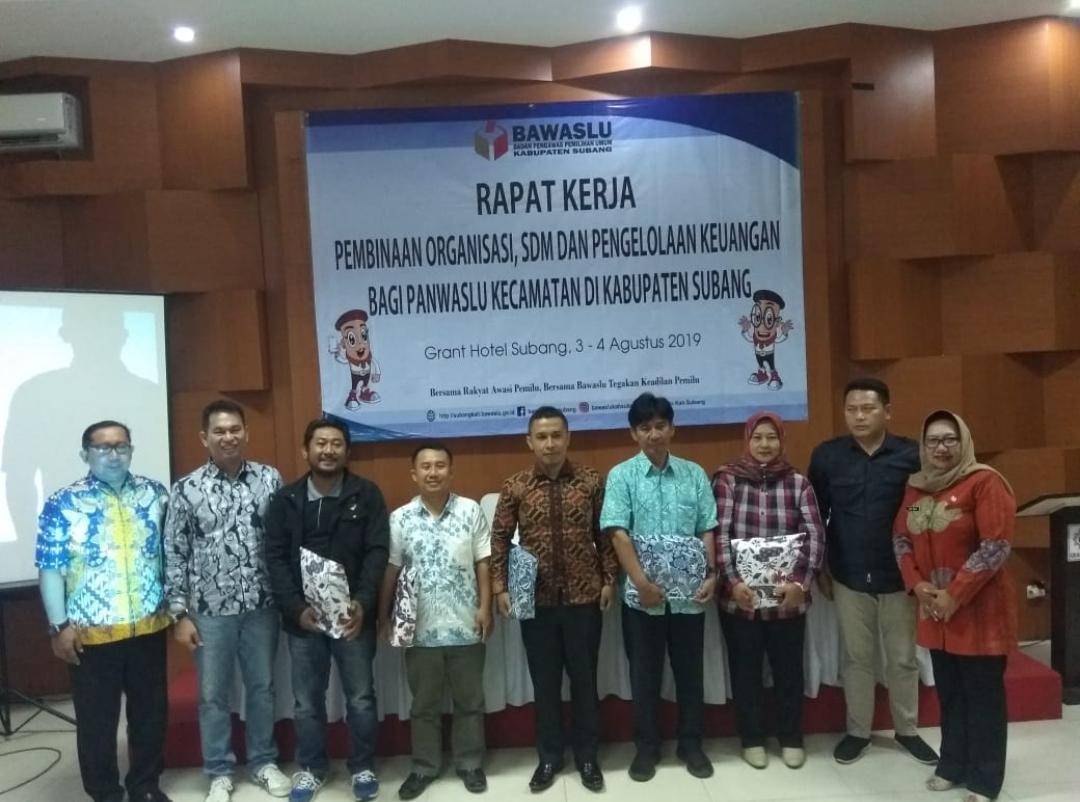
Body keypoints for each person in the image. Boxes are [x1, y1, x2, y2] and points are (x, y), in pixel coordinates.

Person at [35, 420, 172, 802]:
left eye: (121, 446)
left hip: (148, 625)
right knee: (97, 721)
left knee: (150, 715)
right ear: (86, 455)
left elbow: (171, 556)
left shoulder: (155, 494)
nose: (114, 455)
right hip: (90, 633)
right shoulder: (63, 502)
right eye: (103, 447)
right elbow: (50, 568)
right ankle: (105, 792)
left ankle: (145, 785)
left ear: (131, 450)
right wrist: (58, 625)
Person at [164, 400, 290, 802]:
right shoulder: (186, 489)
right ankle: (219, 771)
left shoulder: (270, 479)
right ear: (204, 438)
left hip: (261, 606)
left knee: (262, 688)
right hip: (209, 612)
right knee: (212, 695)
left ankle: (263, 762)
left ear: (246, 433)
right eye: (219, 431)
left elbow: (283, 542)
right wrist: (179, 614)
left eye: (235, 429)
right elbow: (174, 553)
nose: (228, 437)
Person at [807, 378, 938, 766]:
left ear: (887, 412)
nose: (859, 416)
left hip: (899, 575)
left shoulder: (910, 455)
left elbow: (923, 506)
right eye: (852, 409)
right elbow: (816, 514)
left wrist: (912, 528)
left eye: (868, 408)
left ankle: (907, 731)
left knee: (902, 658)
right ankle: (858, 732)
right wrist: (821, 567)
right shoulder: (828, 456)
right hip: (848, 573)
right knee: (856, 659)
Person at [490, 406, 616, 793]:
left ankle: (587, 756)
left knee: (584, 681)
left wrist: (609, 579)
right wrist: (500, 587)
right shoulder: (516, 486)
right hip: (536, 602)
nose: (550, 443)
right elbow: (499, 539)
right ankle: (549, 757)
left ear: (568, 438)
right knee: (544, 684)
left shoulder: (591, 482)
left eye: (556, 435)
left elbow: (604, 534)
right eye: (541, 437)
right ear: (529, 441)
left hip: (584, 598)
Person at [893, 411, 1017, 802]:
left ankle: (984, 779)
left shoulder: (983, 483)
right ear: (923, 446)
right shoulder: (918, 492)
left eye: (950, 439)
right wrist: (917, 584)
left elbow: (995, 546)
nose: (942, 448)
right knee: (951, 695)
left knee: (983, 699)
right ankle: (952, 765)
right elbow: (902, 538)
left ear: (963, 441)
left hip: (978, 612)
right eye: (933, 441)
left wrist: (954, 594)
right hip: (935, 611)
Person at [264, 419, 389, 802]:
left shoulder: (366, 495)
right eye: (321, 443)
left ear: (347, 452)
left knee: (361, 697)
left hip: (352, 618)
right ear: (306, 450)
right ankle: (312, 768)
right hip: (304, 621)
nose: (329, 450)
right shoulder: (285, 500)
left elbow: (377, 552)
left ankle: (362, 765)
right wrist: (295, 609)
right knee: (307, 701)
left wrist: (363, 603)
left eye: (337, 444)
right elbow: (275, 559)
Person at [600, 393, 717, 782]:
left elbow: (706, 528)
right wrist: (641, 582)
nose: (654, 434)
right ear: (633, 433)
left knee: (690, 675)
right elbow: (617, 534)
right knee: (644, 675)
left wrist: (711, 573)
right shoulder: (622, 476)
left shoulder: (694, 474)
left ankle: (691, 745)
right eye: (645, 427)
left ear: (672, 428)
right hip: (642, 598)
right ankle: (646, 748)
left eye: (660, 426)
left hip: (689, 598)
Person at [377, 442, 492, 800]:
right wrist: (384, 616)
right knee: (424, 706)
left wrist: (485, 607)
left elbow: (483, 562)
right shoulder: (400, 518)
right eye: (425, 466)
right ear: (414, 474)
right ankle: (424, 767)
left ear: (451, 471)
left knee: (469, 702)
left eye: (440, 465)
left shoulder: (470, 510)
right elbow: (391, 570)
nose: (433, 472)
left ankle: (469, 763)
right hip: (420, 629)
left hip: (465, 624)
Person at [713, 411, 825, 770]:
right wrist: (733, 583)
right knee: (745, 671)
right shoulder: (728, 480)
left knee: (788, 670)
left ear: (782, 440)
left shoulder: (798, 483)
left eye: (771, 437)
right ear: (747, 440)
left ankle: (790, 736)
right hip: (740, 600)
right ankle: (752, 738)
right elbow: (719, 535)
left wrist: (800, 583)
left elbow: (815, 535)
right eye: (757, 437)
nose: (764, 445)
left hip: (787, 600)